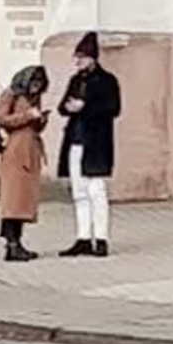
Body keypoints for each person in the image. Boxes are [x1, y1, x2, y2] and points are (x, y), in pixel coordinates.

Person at [55, 30, 122, 257]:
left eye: (82, 57)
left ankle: (101, 238)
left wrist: (86, 107)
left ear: (92, 58)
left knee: (96, 189)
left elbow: (113, 108)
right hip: (75, 140)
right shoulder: (76, 80)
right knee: (79, 191)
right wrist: (70, 107)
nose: (78, 62)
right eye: (77, 57)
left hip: (96, 142)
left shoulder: (107, 81)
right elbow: (62, 106)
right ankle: (83, 237)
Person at [0, 62, 49, 260]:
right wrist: (27, 115)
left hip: (30, 149)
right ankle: (11, 244)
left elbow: (34, 126)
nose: (35, 87)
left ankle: (18, 243)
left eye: (39, 84)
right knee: (14, 200)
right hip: (15, 150)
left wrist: (40, 120)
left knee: (24, 201)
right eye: (33, 82)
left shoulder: (34, 98)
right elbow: (1, 119)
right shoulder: (11, 94)